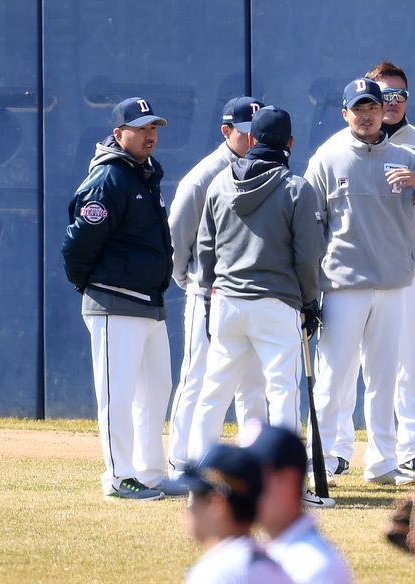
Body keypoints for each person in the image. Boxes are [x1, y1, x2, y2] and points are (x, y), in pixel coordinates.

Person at [305, 79, 415, 486]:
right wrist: (310, 286)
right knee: (334, 377)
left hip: (392, 286)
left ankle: (382, 462)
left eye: (373, 106)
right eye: (359, 108)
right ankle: (323, 459)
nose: (367, 115)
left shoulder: (407, 158)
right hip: (342, 287)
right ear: (345, 114)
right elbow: (309, 225)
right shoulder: (327, 159)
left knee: (383, 377)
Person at [61, 97, 185, 500]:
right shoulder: (109, 178)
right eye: (140, 128)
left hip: (149, 301)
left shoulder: (144, 174)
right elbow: (77, 245)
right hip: (114, 302)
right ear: (119, 134)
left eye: (153, 127)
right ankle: (118, 477)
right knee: (118, 394)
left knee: (157, 389)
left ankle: (149, 472)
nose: (150, 135)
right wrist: (93, 286)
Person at [187, 106, 325, 466]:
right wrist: (309, 301)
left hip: (226, 301)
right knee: (282, 392)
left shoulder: (219, 183)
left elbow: (205, 249)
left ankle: (199, 479)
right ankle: (286, 481)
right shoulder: (296, 188)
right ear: (290, 143)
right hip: (276, 303)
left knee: (214, 393)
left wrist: (208, 299)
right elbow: (307, 256)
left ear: (251, 139)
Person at [167, 96, 267, 479]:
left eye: (258, 132)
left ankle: (253, 466)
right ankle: (181, 462)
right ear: (226, 131)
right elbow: (178, 235)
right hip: (207, 293)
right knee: (197, 377)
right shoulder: (204, 176)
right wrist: (188, 279)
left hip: (250, 293)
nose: (253, 139)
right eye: (245, 133)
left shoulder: (266, 169)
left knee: (252, 383)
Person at [364, 61, 415, 479]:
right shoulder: (348, 141)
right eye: (384, 95)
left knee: (410, 360)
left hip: (410, 264)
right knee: (352, 363)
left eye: (399, 95)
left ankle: (413, 449)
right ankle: (336, 451)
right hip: (360, 270)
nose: (392, 102)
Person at [248, 425, 353, 583]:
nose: (244, 488)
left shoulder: (313, 567)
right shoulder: (268, 549)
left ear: (287, 481)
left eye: (252, 477)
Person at [181, 444, 293, 583]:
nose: (189, 509)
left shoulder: (213, 573)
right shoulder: (277, 568)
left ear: (217, 504)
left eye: (196, 498)